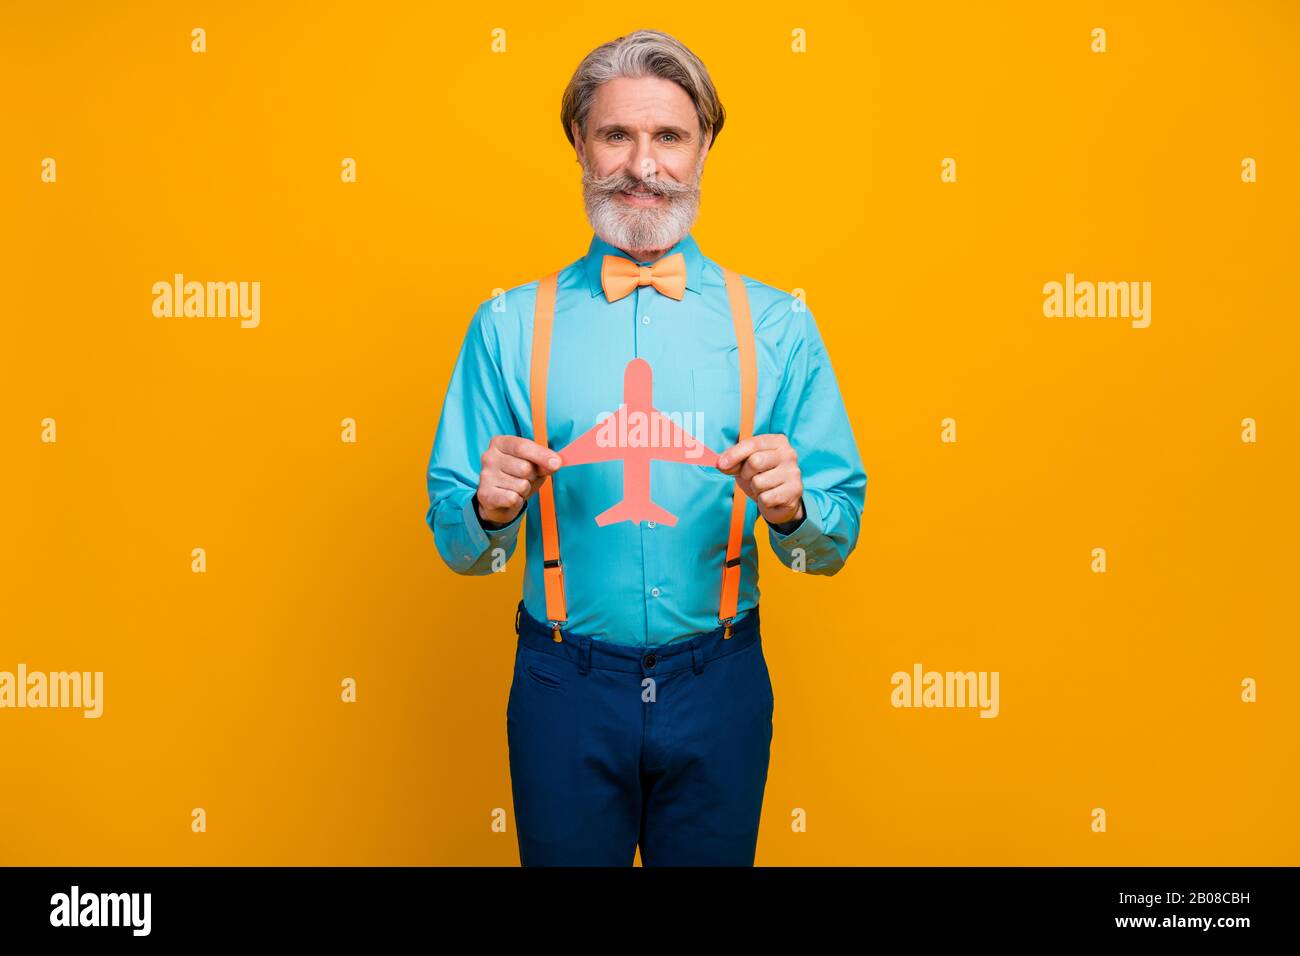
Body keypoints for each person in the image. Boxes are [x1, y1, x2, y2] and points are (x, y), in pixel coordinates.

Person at [425, 28, 866, 866]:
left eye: (669, 136)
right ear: (580, 146)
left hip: (722, 683)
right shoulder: (510, 325)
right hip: (563, 689)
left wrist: (798, 509)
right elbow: (459, 550)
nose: (644, 164)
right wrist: (484, 512)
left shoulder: (778, 325)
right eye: (616, 135)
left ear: (704, 149)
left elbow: (834, 545)